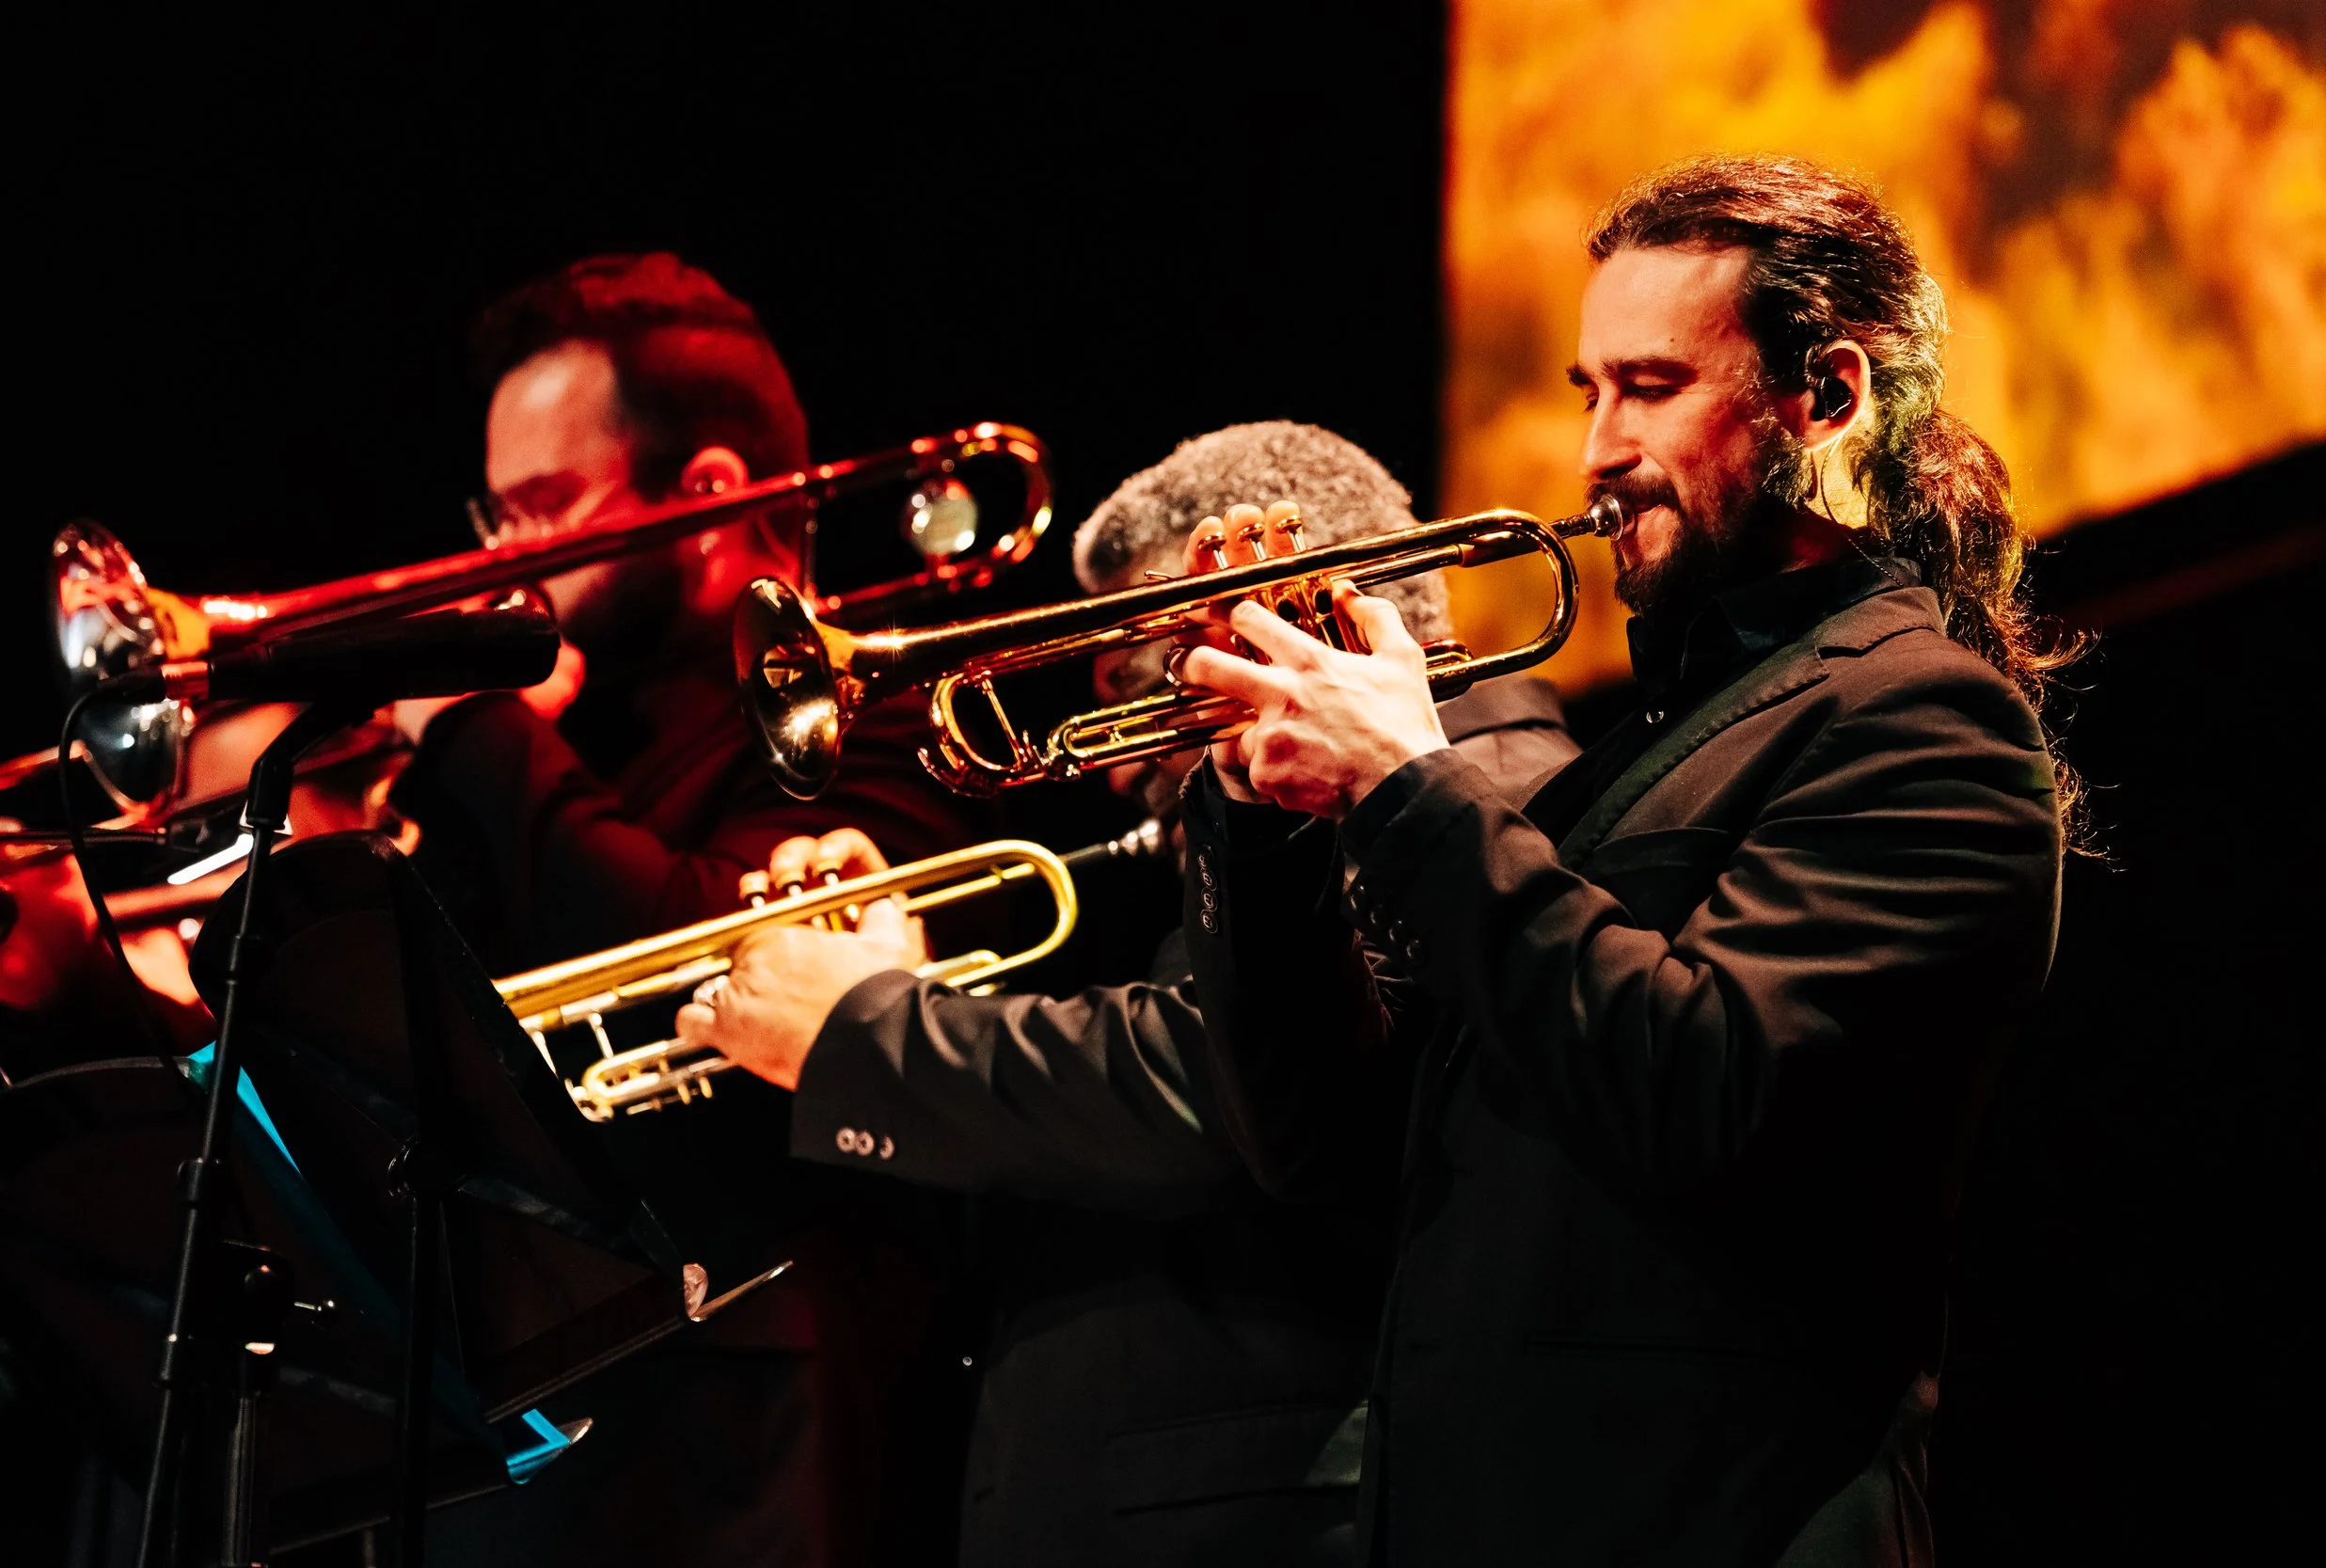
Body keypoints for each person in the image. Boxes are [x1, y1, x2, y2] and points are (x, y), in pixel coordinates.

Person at [1173, 159, 2070, 1564]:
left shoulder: (1923, 718)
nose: (1596, 448)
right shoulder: (1639, 750)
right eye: (1587, 390)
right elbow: (1332, 1154)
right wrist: (1272, 816)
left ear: (1824, 398)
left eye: (1650, 386)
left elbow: (1709, 1086)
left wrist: (1408, 786)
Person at [672, 422, 1579, 1567]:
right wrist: (897, 973)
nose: (1107, 759)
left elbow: (1210, 1085)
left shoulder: (1493, 792)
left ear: (1286, 603)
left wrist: (872, 1031)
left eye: (1142, 668)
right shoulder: (1299, 822)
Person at [402, 253, 986, 1568]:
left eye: (543, 506)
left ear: (712, 492)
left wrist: (481, 729)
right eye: (493, 517)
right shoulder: (560, 733)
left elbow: (709, 966)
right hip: (521, 1431)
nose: (504, 561)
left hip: (748, 1438)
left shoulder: (882, 713)